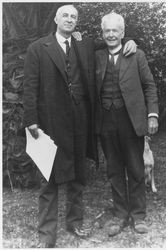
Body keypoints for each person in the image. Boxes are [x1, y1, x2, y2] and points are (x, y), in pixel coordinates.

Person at [23, 4, 136, 248]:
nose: (70, 19)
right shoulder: (38, 48)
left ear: (77, 22)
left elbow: (111, 39)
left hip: (79, 122)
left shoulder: (83, 45)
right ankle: (47, 233)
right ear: (56, 18)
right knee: (48, 178)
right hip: (50, 124)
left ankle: (74, 222)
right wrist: (31, 120)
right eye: (65, 15)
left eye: (74, 17)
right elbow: (30, 86)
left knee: (77, 177)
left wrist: (131, 41)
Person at [95, 12, 159, 237]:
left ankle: (139, 215)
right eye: (107, 31)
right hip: (105, 122)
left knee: (135, 167)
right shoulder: (97, 56)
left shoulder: (136, 55)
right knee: (113, 170)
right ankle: (121, 214)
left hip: (131, 120)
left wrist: (152, 115)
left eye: (115, 30)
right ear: (102, 33)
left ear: (123, 33)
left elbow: (149, 85)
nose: (111, 34)